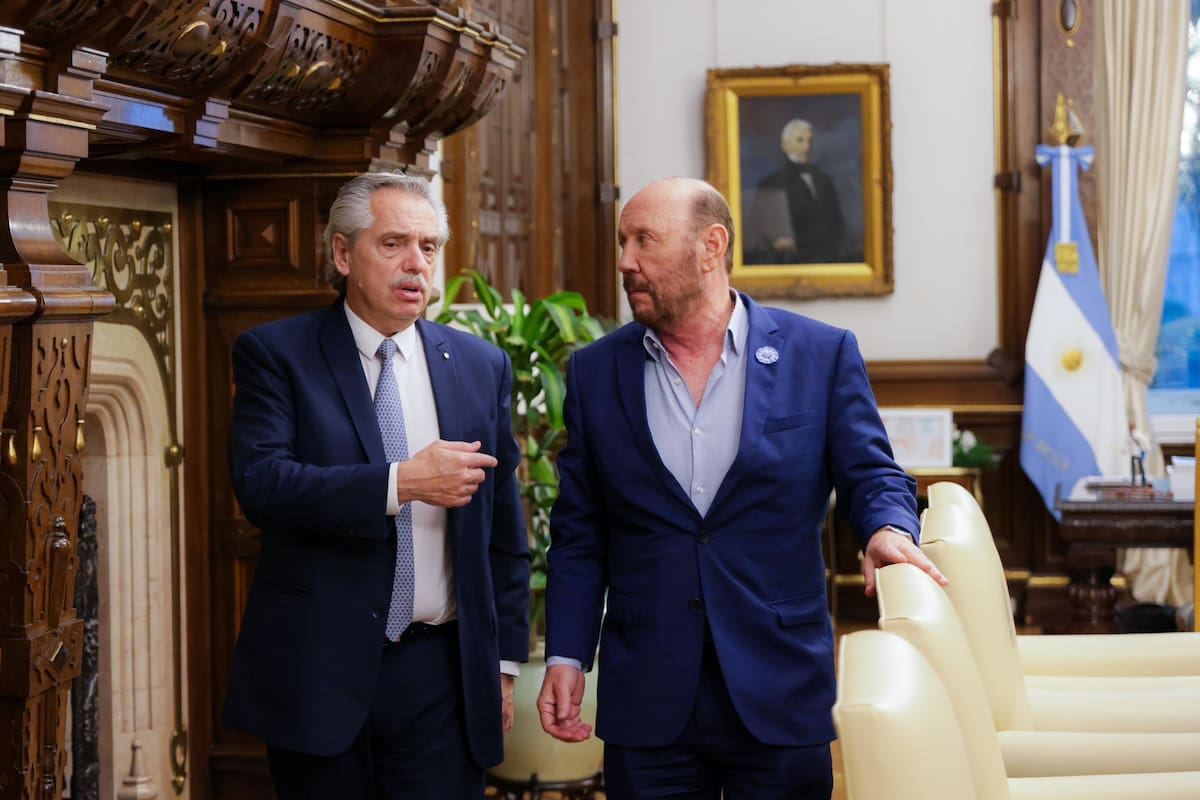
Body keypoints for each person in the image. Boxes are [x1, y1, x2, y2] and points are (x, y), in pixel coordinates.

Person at [536, 177, 946, 799]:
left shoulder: (820, 354)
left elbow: (873, 473)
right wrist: (566, 654)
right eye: (623, 241)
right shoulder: (596, 371)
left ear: (711, 246)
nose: (625, 261)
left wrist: (888, 526)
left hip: (778, 685)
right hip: (648, 694)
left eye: (645, 240)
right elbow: (578, 531)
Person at [223, 171, 530, 799]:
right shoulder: (277, 354)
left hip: (443, 674)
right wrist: (401, 483)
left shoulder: (480, 365)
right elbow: (263, 484)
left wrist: (502, 665)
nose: (415, 264)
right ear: (343, 253)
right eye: (393, 244)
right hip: (321, 669)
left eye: (429, 247)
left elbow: (504, 529)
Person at [743, 118, 848, 265]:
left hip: (826, 263)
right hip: (786, 264)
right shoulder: (770, 183)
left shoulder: (825, 182)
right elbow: (760, 232)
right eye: (800, 140)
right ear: (785, 146)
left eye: (810, 141)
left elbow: (837, 226)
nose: (806, 147)